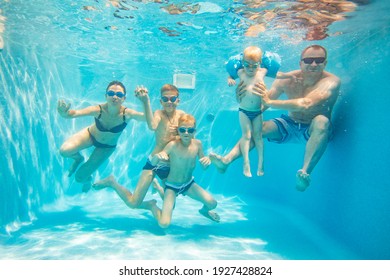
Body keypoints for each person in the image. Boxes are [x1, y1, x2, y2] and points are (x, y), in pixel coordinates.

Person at [211, 45, 341, 192]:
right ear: (300, 63)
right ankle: (226, 161)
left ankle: (304, 175)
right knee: (259, 129)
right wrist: (244, 102)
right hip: (290, 124)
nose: (313, 64)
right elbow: (262, 105)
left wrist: (270, 102)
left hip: (315, 130)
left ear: (325, 63)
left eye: (319, 60)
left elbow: (306, 103)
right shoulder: (288, 79)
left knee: (321, 121)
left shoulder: (331, 82)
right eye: (309, 60)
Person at [92, 84, 186, 208]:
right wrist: (145, 101)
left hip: (171, 165)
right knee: (133, 203)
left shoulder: (183, 116)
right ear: (161, 101)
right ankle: (112, 182)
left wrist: (180, 134)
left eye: (173, 99)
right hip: (155, 162)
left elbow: (190, 139)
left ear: (178, 101)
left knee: (171, 206)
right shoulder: (159, 113)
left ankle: (157, 187)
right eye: (165, 99)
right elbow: (152, 126)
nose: (169, 102)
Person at [57, 81, 146, 192]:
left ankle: (88, 180)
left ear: (124, 98)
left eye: (119, 95)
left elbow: (146, 118)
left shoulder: (126, 114)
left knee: (79, 178)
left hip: (106, 147)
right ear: (106, 96)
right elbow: (74, 113)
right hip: (90, 135)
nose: (114, 97)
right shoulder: (98, 110)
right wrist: (64, 113)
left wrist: (145, 102)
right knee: (64, 151)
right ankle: (78, 158)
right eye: (111, 93)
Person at [145, 114, 220, 228]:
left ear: (194, 131)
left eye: (190, 130)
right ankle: (152, 204)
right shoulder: (173, 145)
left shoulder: (198, 144)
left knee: (212, 203)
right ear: (178, 130)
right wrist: (157, 156)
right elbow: (154, 162)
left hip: (189, 185)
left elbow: (204, 167)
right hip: (171, 186)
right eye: (182, 130)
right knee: (164, 224)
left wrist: (207, 162)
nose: (186, 133)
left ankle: (204, 211)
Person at [231, 46, 266, 177]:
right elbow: (231, 74)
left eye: (254, 65)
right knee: (246, 136)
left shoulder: (262, 72)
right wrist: (230, 79)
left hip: (258, 111)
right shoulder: (241, 73)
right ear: (242, 63)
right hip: (244, 111)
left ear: (260, 63)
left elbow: (276, 72)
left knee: (258, 137)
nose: (250, 69)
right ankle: (246, 163)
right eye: (247, 65)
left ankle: (261, 163)